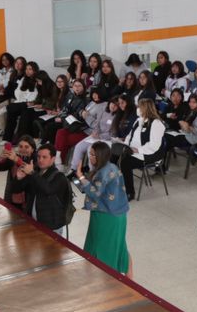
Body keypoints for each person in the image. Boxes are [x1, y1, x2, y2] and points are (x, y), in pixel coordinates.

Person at [76, 145, 130, 275]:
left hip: (107, 216)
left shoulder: (104, 172)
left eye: (93, 154)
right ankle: (126, 278)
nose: (90, 157)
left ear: (101, 156)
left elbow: (94, 193)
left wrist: (81, 177)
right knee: (118, 245)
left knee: (103, 248)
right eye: (90, 153)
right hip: (118, 214)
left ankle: (106, 279)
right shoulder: (111, 167)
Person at [118, 98, 167, 201]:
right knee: (113, 154)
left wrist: (138, 150)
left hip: (150, 154)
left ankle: (130, 192)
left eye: (139, 107)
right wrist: (125, 145)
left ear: (145, 108)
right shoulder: (139, 120)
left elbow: (153, 145)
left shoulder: (156, 123)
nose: (137, 109)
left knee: (125, 163)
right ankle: (111, 184)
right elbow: (129, 135)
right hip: (134, 149)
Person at [22, 144, 73, 232]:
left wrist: (32, 174)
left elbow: (48, 189)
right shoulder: (36, 173)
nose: (40, 160)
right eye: (38, 157)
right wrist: (19, 178)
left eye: (44, 157)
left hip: (52, 227)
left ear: (53, 159)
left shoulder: (59, 177)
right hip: (34, 223)